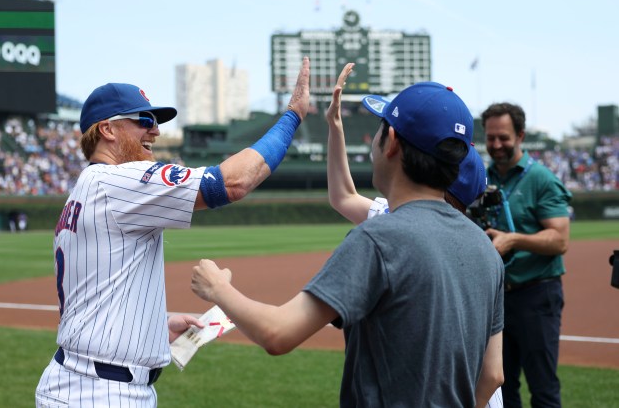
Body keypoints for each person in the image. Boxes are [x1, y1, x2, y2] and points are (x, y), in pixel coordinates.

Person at [191, 79, 505, 406]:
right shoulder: (486, 250)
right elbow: (493, 374)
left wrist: (217, 288)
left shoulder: (378, 239)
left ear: (392, 141)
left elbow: (277, 334)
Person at [35, 57, 311, 407]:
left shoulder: (87, 188)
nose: (156, 131)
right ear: (107, 130)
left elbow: (96, 292)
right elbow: (232, 182)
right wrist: (293, 117)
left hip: (84, 382)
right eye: (144, 120)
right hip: (99, 392)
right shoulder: (117, 181)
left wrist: (154, 327)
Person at [326, 63, 503, 407]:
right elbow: (343, 197)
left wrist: (220, 290)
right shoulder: (476, 245)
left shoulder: (393, 230)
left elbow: (279, 333)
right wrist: (335, 126)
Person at [481, 102, 571, 408]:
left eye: (503, 137)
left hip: (537, 294)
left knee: (543, 389)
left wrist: (513, 240)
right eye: (490, 138)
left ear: (520, 135)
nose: (496, 145)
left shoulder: (541, 178)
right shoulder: (482, 179)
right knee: (501, 388)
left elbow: (559, 239)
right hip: (497, 299)